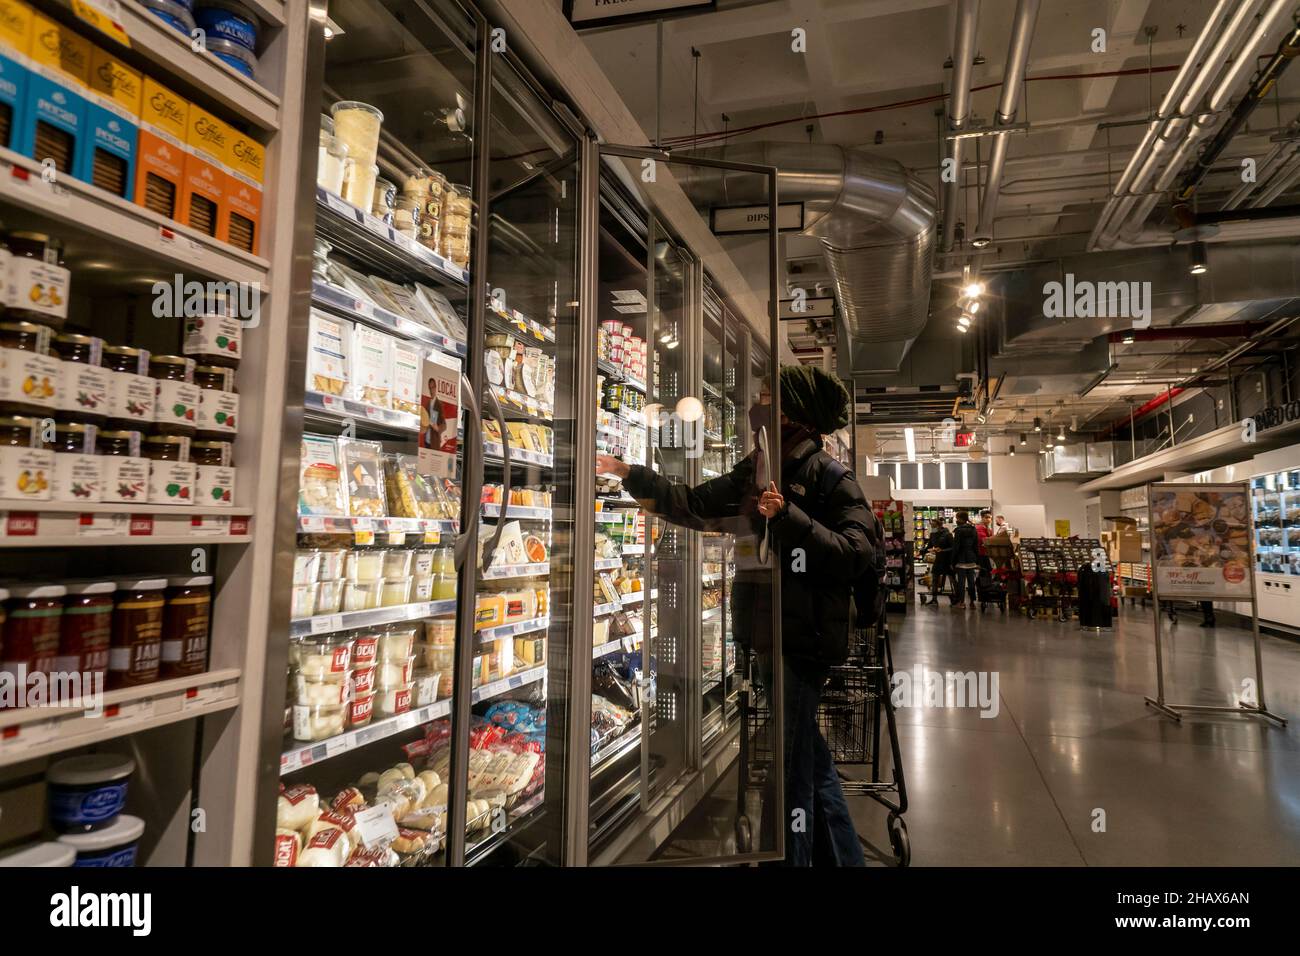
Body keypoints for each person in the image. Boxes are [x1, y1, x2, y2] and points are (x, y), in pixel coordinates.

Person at [596, 365, 876, 866]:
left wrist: (787, 516)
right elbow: (696, 504)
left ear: (794, 413)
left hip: (802, 642)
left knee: (790, 776)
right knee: (808, 759)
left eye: (768, 398)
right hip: (767, 633)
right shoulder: (758, 468)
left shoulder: (831, 477)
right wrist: (627, 474)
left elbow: (857, 554)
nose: (757, 408)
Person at [951, 509, 981, 610]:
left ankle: (961, 602)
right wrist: (977, 559)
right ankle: (972, 602)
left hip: (961, 559)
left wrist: (953, 560)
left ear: (960, 519)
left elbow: (956, 547)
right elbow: (976, 545)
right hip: (971, 558)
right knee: (971, 581)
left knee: (961, 582)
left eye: (957, 518)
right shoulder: (973, 529)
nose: (956, 520)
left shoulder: (958, 530)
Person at [922, 518, 953, 605]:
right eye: (932, 526)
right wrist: (922, 551)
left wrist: (942, 550)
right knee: (935, 578)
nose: (932, 527)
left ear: (939, 526)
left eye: (933, 526)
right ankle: (934, 598)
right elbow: (929, 546)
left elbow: (953, 547)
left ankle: (956, 597)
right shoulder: (933, 534)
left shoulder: (947, 534)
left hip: (947, 560)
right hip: (938, 560)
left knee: (952, 579)